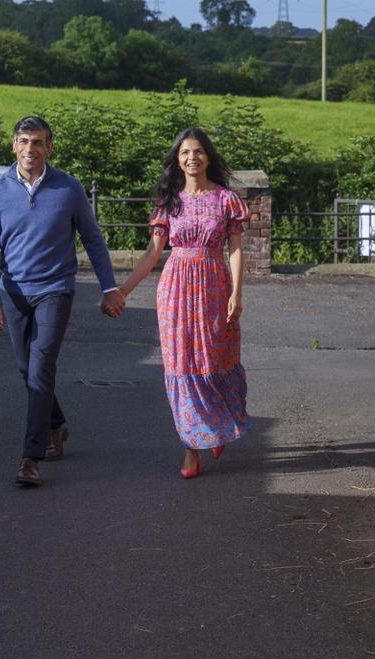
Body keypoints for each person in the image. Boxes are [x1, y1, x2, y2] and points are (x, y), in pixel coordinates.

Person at [0, 116, 125, 487]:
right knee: (28, 370)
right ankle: (56, 424)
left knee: (41, 365)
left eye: (38, 142)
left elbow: (93, 239)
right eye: (24, 141)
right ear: (14, 145)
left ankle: (30, 456)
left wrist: (109, 287)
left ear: (49, 148)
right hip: (14, 292)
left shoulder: (69, 188)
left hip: (56, 289)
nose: (31, 149)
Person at [118, 127, 250, 479]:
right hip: (176, 288)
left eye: (198, 151)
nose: (192, 157)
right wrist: (123, 291)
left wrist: (237, 292)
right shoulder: (169, 203)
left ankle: (217, 424)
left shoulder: (226, 200)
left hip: (213, 285)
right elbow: (151, 255)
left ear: (208, 156)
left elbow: (235, 250)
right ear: (178, 161)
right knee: (181, 365)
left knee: (214, 358)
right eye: (185, 153)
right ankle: (192, 447)